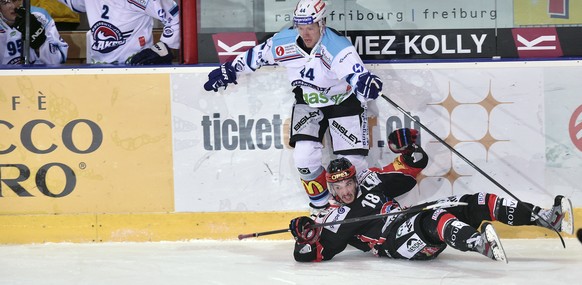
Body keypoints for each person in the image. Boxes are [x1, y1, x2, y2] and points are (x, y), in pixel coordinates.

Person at [203, 0, 384, 217]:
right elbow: (257, 55)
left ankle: (363, 210)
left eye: (310, 27)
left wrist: (367, 86)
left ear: (321, 24)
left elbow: (358, 77)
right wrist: (231, 70)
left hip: (343, 102)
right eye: (301, 27)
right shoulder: (285, 42)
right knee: (304, 158)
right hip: (308, 102)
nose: (305, 33)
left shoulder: (338, 47)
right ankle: (323, 209)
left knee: (353, 162)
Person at [288, 128, 574, 262]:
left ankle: (548, 218)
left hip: (409, 218)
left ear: (354, 178)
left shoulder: (373, 180)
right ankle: (478, 243)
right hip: (395, 243)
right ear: (331, 189)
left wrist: (409, 147)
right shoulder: (336, 216)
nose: (345, 190)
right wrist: (303, 234)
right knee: (434, 217)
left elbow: (412, 166)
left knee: (474, 201)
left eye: (348, 183)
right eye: (337, 187)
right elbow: (311, 254)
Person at [57, 0, 180, 65]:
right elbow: (76, 4)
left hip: (136, 70)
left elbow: (177, 16)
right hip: (100, 71)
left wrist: (163, 48)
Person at [0, 0, 68, 65]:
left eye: (15, 0)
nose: (12, 6)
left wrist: (39, 41)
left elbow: (56, 61)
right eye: (5, 2)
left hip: (39, 74)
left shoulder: (40, 16)